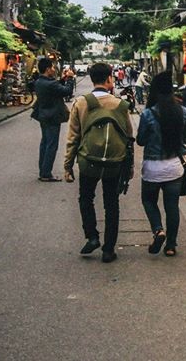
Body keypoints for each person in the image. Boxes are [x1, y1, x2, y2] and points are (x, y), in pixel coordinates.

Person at [63, 63, 133, 263]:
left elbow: (73, 137)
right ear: (110, 78)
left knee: (86, 198)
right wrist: (129, 167)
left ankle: (92, 236)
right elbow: (129, 137)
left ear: (92, 79)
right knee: (112, 203)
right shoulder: (120, 104)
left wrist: (68, 166)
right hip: (114, 162)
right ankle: (109, 249)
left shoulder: (81, 103)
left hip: (88, 160)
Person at [136, 71, 186, 258]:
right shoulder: (181, 111)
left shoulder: (148, 114)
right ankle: (171, 245)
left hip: (152, 167)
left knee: (149, 200)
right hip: (174, 166)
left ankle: (158, 230)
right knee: (172, 206)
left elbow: (141, 141)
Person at [31, 57, 75, 181]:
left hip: (43, 115)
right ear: (47, 69)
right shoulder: (50, 83)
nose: (54, 69)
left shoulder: (39, 82)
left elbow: (55, 89)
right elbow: (67, 91)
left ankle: (43, 170)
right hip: (53, 116)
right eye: (52, 67)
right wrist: (70, 79)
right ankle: (46, 174)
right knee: (51, 145)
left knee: (44, 143)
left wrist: (62, 79)